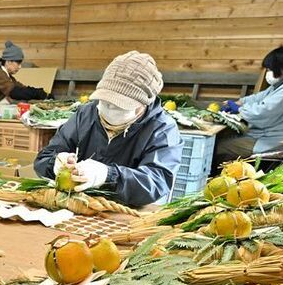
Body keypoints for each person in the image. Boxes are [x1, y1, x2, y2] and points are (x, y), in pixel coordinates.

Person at [34, 51, 182, 207]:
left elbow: (157, 182)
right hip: (82, 205)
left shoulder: (162, 129)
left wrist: (107, 176)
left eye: (118, 105)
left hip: (128, 212)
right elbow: (43, 158)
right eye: (105, 101)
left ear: (142, 104)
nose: (109, 108)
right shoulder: (87, 114)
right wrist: (55, 164)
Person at [214, 46, 283, 167]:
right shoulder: (281, 85)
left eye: (271, 69)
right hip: (266, 135)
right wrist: (240, 102)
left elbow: (263, 111)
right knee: (225, 139)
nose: (268, 73)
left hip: (275, 141)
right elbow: (258, 98)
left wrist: (238, 109)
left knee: (219, 147)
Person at [0, 41, 49, 110]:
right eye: (18, 63)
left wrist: (41, 92)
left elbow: (22, 89)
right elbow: (15, 93)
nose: (20, 67)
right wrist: (37, 94)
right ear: (8, 62)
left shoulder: (8, 77)